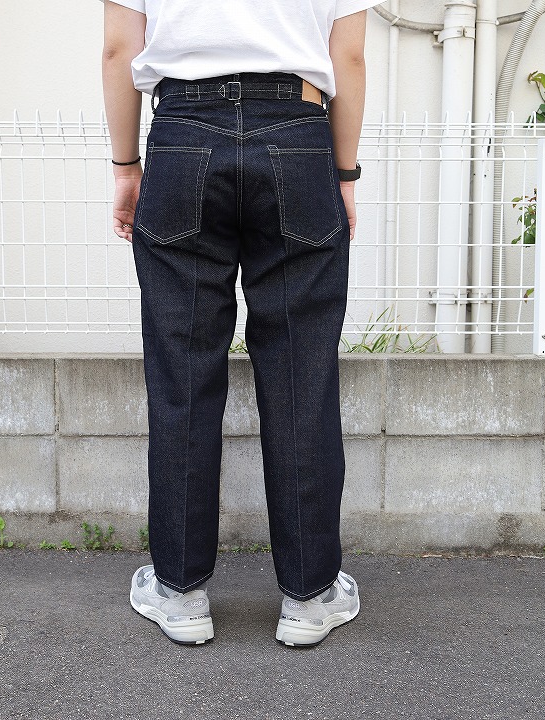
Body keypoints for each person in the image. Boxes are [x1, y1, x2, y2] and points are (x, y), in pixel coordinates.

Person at [102, 0, 377, 646]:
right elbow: (350, 56)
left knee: (182, 372)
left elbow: (118, 50)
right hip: (299, 135)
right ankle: (310, 596)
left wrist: (125, 167)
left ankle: (179, 592)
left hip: (183, 134)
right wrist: (343, 175)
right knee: (302, 373)